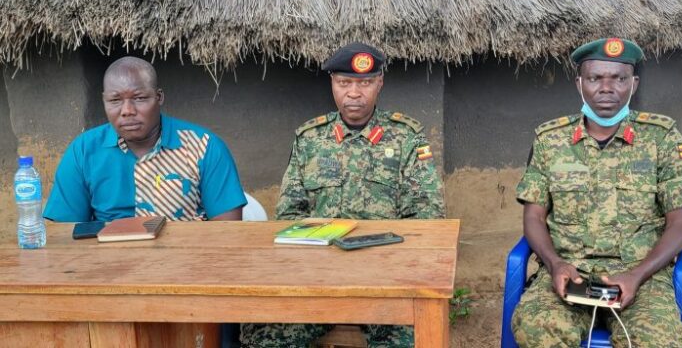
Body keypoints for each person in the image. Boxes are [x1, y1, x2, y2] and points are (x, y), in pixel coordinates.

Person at [241, 42, 445, 348]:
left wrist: (384, 257)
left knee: (411, 339)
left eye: (364, 83)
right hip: (316, 279)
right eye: (344, 83)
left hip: (385, 279)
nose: (354, 93)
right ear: (332, 84)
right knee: (265, 337)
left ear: (380, 84)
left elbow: (428, 216)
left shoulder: (407, 138)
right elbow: (289, 213)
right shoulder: (310, 139)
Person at [512, 38, 682, 348]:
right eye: (595, 78)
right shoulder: (550, 141)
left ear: (634, 84)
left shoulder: (662, 139)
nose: (606, 88)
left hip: (643, 277)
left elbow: (681, 224)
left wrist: (637, 275)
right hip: (567, 274)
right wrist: (554, 263)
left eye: (619, 78)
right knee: (537, 330)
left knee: (658, 340)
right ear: (580, 84)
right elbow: (533, 215)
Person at [44, 56, 246, 222]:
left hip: (187, 264)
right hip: (109, 265)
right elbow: (63, 233)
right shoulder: (84, 151)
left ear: (159, 98)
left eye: (139, 98)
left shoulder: (204, 147)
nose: (127, 111)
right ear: (104, 101)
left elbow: (227, 234)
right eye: (115, 101)